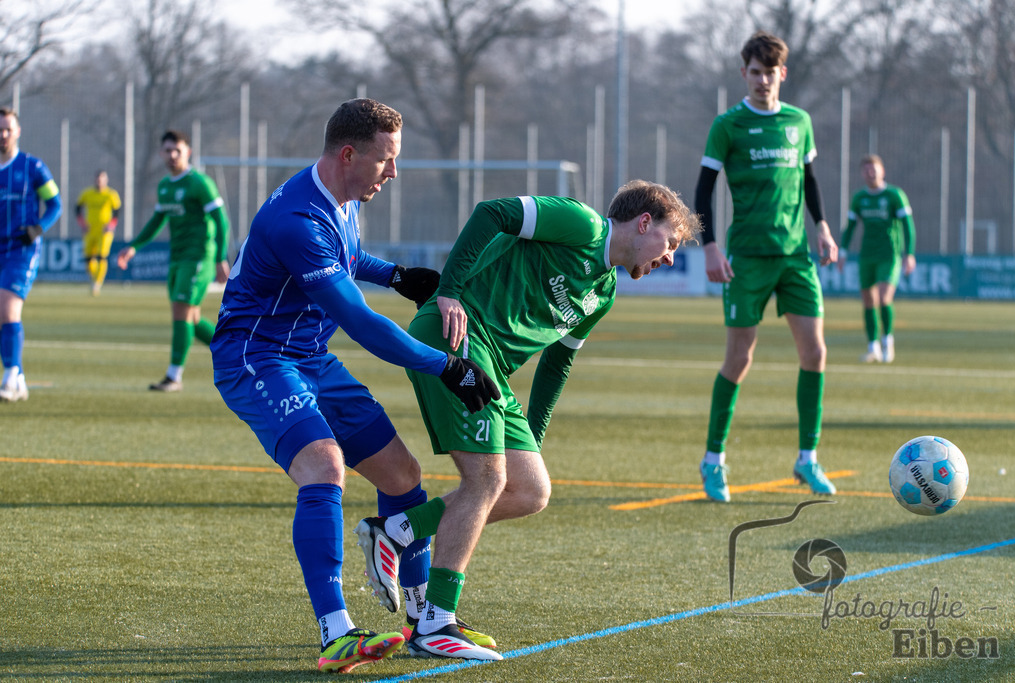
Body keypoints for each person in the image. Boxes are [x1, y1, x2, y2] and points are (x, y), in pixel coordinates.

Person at [209, 98, 499, 674]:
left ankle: (423, 623)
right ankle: (335, 633)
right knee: (324, 467)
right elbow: (362, 324)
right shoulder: (296, 220)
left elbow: (346, 255)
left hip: (310, 356)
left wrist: (395, 274)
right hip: (257, 357)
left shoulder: (340, 197)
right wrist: (447, 366)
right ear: (348, 154)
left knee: (403, 476)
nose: (394, 172)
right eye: (386, 160)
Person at [354, 180, 700, 660]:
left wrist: (531, 441)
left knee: (531, 490)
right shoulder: (581, 224)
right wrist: (449, 291)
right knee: (486, 480)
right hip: (458, 334)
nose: (670, 257)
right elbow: (491, 212)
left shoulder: (604, 292)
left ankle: (396, 532)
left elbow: (558, 363)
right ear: (644, 223)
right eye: (671, 241)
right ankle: (434, 623)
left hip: (492, 368)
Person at [692, 31, 839, 503]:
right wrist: (710, 246)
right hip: (747, 259)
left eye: (770, 73)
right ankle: (713, 460)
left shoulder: (799, 121)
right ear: (744, 73)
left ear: (782, 74)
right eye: (754, 73)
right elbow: (703, 189)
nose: (762, 80)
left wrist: (822, 227)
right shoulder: (728, 125)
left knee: (815, 354)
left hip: (795, 256)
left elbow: (810, 180)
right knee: (740, 359)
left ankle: (807, 458)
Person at [116, 130, 230, 392]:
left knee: (181, 311)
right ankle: (235, 352)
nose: (172, 155)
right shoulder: (165, 186)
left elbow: (220, 220)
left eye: (177, 150)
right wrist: (133, 247)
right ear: (161, 153)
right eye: (168, 150)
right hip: (177, 258)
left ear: (188, 152)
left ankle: (173, 376)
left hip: (199, 257)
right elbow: (158, 220)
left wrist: (220, 258)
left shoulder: (199, 183)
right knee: (191, 318)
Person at [0, 107, 62, 403]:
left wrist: (38, 229)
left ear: (18, 132)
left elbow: (55, 204)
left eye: (7, 129)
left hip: (22, 248)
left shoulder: (33, 167)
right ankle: (20, 379)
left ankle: (10, 378)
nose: (3, 135)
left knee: (8, 308)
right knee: (2, 314)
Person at [838, 154, 916, 363]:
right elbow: (850, 227)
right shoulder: (859, 198)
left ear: (883, 171)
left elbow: (908, 225)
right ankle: (872, 346)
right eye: (866, 170)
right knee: (868, 300)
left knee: (883, 298)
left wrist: (909, 253)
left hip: (889, 255)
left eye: (873, 169)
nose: (870, 173)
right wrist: (842, 252)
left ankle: (887, 340)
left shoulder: (894, 195)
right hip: (867, 255)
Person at [76, 170, 122, 296]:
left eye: (102, 179)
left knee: (101, 256)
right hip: (90, 230)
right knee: (88, 258)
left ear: (106, 180)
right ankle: (93, 277)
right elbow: (78, 208)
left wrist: (111, 225)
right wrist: (82, 224)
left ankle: (97, 283)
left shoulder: (111, 194)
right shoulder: (87, 193)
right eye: (97, 179)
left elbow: (117, 212)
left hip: (104, 231)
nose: (99, 181)